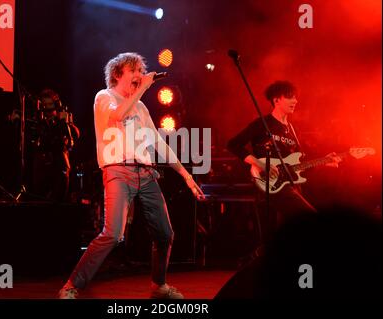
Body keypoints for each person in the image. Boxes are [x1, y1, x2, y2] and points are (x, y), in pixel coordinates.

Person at [58, 52, 205, 299]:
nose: (139, 75)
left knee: (165, 234)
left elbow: (158, 142)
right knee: (113, 233)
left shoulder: (140, 106)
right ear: (117, 74)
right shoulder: (104, 97)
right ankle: (71, 285)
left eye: (141, 71)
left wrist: (185, 175)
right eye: (133, 71)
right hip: (118, 170)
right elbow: (118, 115)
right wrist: (144, 87)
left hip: (146, 174)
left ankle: (159, 286)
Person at [227, 80, 342, 232]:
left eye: (295, 97)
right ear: (276, 100)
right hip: (272, 184)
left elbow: (298, 166)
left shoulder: (292, 130)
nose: (295, 100)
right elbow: (233, 145)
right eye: (290, 97)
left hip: (293, 186)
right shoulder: (263, 123)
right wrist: (260, 164)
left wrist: (324, 162)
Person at [30, 88, 80, 202]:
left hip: (60, 165)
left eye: (50, 104)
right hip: (41, 166)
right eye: (44, 104)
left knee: (58, 201)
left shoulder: (62, 120)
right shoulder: (38, 121)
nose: (47, 108)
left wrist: (65, 122)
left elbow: (75, 134)